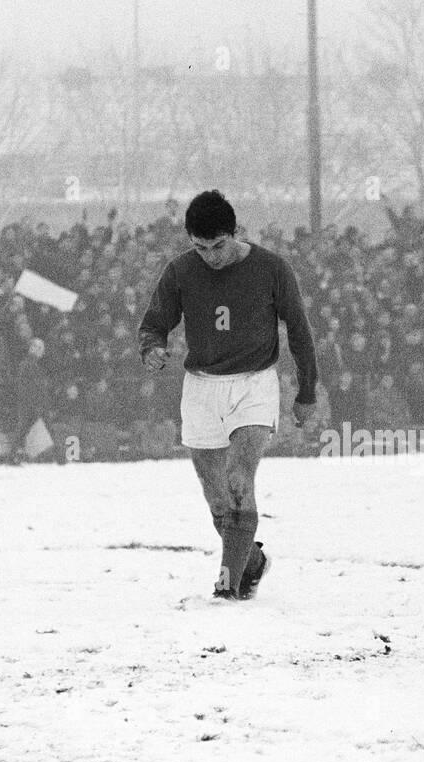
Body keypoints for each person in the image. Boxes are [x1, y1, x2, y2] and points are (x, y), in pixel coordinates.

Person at [138, 190, 317, 600]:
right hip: (200, 387)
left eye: (218, 246)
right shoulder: (181, 271)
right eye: (200, 248)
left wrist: (306, 392)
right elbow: (154, 323)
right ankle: (249, 560)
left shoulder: (272, 268)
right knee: (216, 495)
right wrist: (151, 348)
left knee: (239, 479)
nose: (210, 257)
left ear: (233, 234)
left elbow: (301, 333)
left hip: (254, 383)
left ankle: (228, 586)